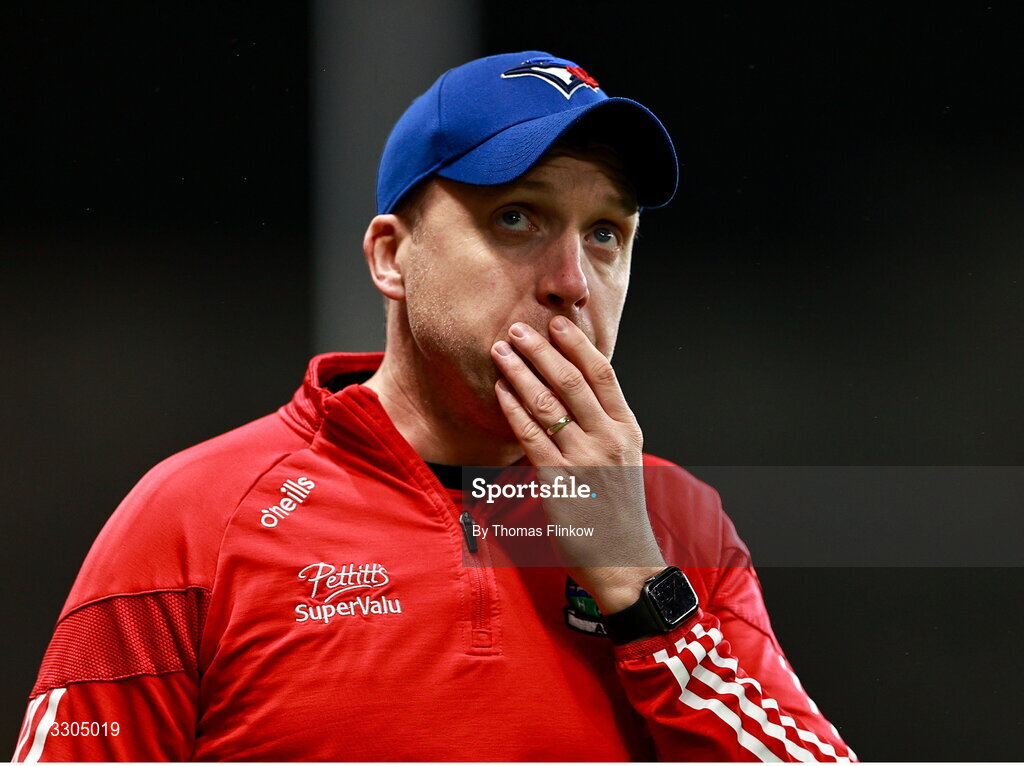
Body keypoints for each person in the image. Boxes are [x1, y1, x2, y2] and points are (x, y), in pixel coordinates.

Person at [13, 51, 856, 762]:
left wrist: (641, 588)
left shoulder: (677, 523)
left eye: (606, 232)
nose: (572, 282)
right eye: (517, 216)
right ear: (391, 256)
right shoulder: (195, 520)